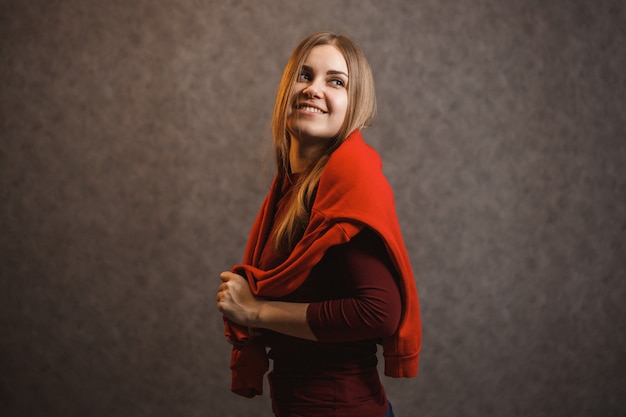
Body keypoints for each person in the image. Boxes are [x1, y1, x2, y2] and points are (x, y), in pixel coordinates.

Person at [216, 31, 421, 417]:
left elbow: (379, 310)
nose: (314, 88)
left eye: (336, 81)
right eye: (305, 75)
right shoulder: (294, 188)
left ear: (354, 104)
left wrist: (256, 311)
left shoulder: (350, 184)